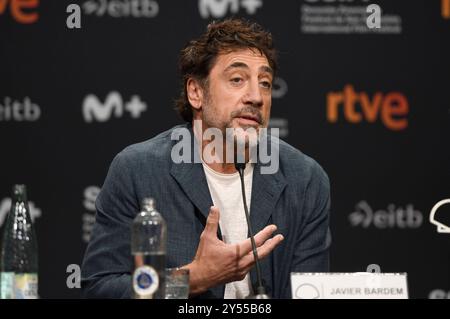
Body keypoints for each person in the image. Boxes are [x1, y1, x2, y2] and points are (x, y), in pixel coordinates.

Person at [81, 18, 331, 299]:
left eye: (265, 83)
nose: (256, 97)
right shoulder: (137, 171)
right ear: (196, 92)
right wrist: (191, 281)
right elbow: (99, 290)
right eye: (237, 79)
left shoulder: (306, 179)